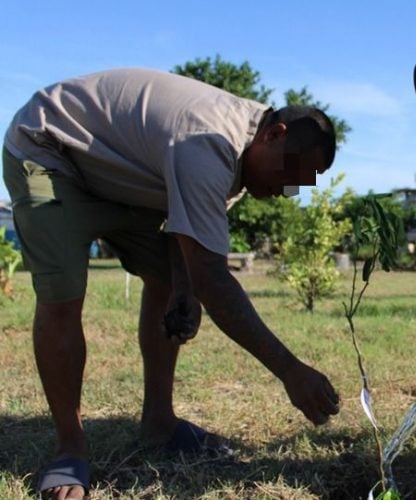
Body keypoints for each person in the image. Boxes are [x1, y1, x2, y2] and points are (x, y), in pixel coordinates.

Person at [3, 68, 342, 500]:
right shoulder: (210, 144)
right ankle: (70, 447)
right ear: (273, 135)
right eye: (292, 175)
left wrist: (182, 285)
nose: (287, 191)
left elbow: (187, 237)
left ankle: (159, 423)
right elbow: (213, 280)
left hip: (122, 175)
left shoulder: (243, 156)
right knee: (63, 296)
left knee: (166, 284)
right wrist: (290, 371)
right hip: (53, 148)